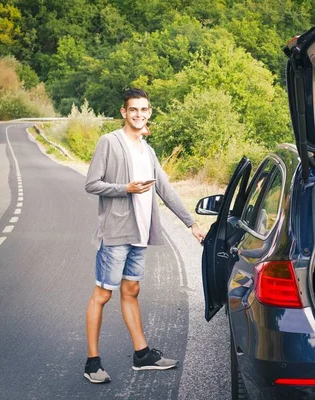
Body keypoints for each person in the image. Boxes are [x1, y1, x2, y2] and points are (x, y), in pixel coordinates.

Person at [83, 88, 205, 384]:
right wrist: (125, 188)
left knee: (131, 292)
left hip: (139, 233)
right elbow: (92, 184)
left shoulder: (147, 150)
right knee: (102, 294)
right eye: (133, 109)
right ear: (124, 112)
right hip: (115, 233)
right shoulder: (110, 142)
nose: (139, 114)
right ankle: (92, 362)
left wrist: (191, 224)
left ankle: (142, 354)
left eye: (144, 109)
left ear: (149, 112)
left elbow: (165, 188)